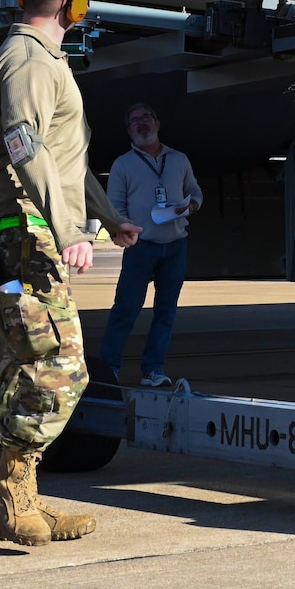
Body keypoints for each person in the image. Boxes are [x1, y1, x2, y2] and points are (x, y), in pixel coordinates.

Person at [0, 0, 140, 548]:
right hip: (22, 236)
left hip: (20, 236)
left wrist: (108, 217)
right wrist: (68, 230)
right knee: (62, 365)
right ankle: (13, 491)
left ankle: (21, 493)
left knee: (22, 359)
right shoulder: (29, 63)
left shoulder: (41, 61)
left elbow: (66, 162)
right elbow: (25, 145)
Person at [102, 103, 204, 388]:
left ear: (157, 123)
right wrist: (119, 230)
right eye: (134, 121)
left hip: (175, 246)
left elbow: (194, 190)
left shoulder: (179, 159)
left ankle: (153, 369)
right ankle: (109, 366)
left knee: (166, 311)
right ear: (129, 131)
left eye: (145, 117)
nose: (141, 124)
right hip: (141, 246)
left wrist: (192, 205)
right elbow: (114, 207)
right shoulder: (123, 164)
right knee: (126, 309)